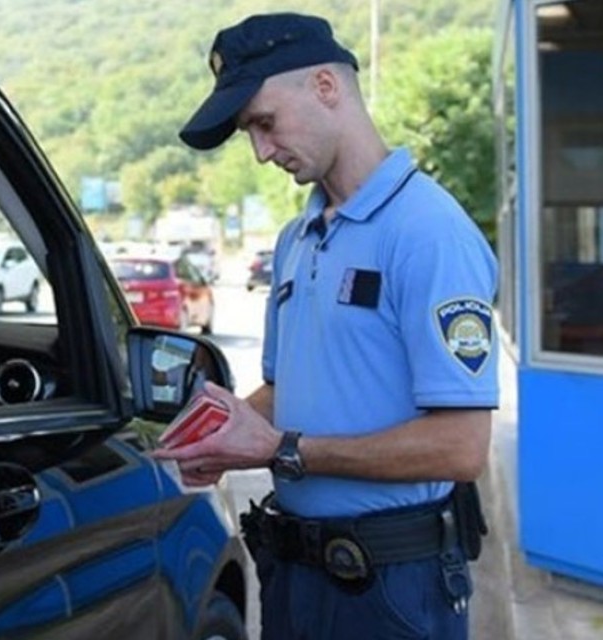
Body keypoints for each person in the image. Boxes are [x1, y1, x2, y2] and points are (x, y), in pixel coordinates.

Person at [153, 13, 499, 640]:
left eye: (263, 122)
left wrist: (283, 450)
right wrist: (214, 434)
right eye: (248, 133)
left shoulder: (427, 232)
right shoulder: (298, 238)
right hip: (296, 574)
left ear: (325, 87)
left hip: (393, 588)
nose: (260, 151)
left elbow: (461, 447)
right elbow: (285, 392)